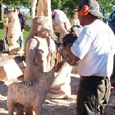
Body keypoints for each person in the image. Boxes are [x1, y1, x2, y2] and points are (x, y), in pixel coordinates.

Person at [66, 0, 115, 114]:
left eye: (78, 11)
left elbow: (75, 56)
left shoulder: (89, 29)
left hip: (90, 85)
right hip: (104, 83)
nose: (77, 15)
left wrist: (68, 44)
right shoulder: (107, 29)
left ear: (84, 10)